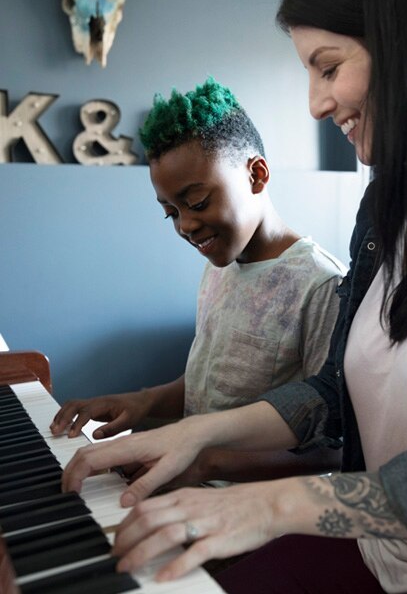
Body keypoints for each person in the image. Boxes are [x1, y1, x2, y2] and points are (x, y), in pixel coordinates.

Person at [62, 0, 407, 593]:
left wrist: (269, 505)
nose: (317, 104)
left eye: (328, 67)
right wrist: (194, 432)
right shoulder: (383, 208)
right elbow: (335, 394)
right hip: (384, 572)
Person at [52, 76, 345, 483]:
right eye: (170, 212)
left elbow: (335, 450)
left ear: (257, 175)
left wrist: (204, 464)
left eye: (197, 203)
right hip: (193, 487)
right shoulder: (219, 263)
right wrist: (141, 401)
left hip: (252, 513)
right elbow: (214, 382)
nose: (186, 225)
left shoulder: (321, 285)